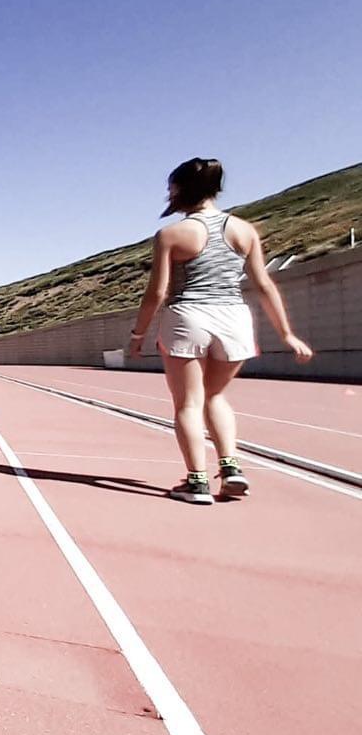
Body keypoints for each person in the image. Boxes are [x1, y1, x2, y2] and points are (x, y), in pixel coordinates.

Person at [128, 158, 312, 503]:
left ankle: (197, 483)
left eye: (170, 188)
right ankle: (231, 468)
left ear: (180, 189)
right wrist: (287, 334)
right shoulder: (244, 231)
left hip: (188, 316)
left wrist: (138, 335)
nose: (168, 195)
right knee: (215, 397)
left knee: (188, 403)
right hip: (233, 318)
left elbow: (157, 292)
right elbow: (264, 284)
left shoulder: (172, 234)